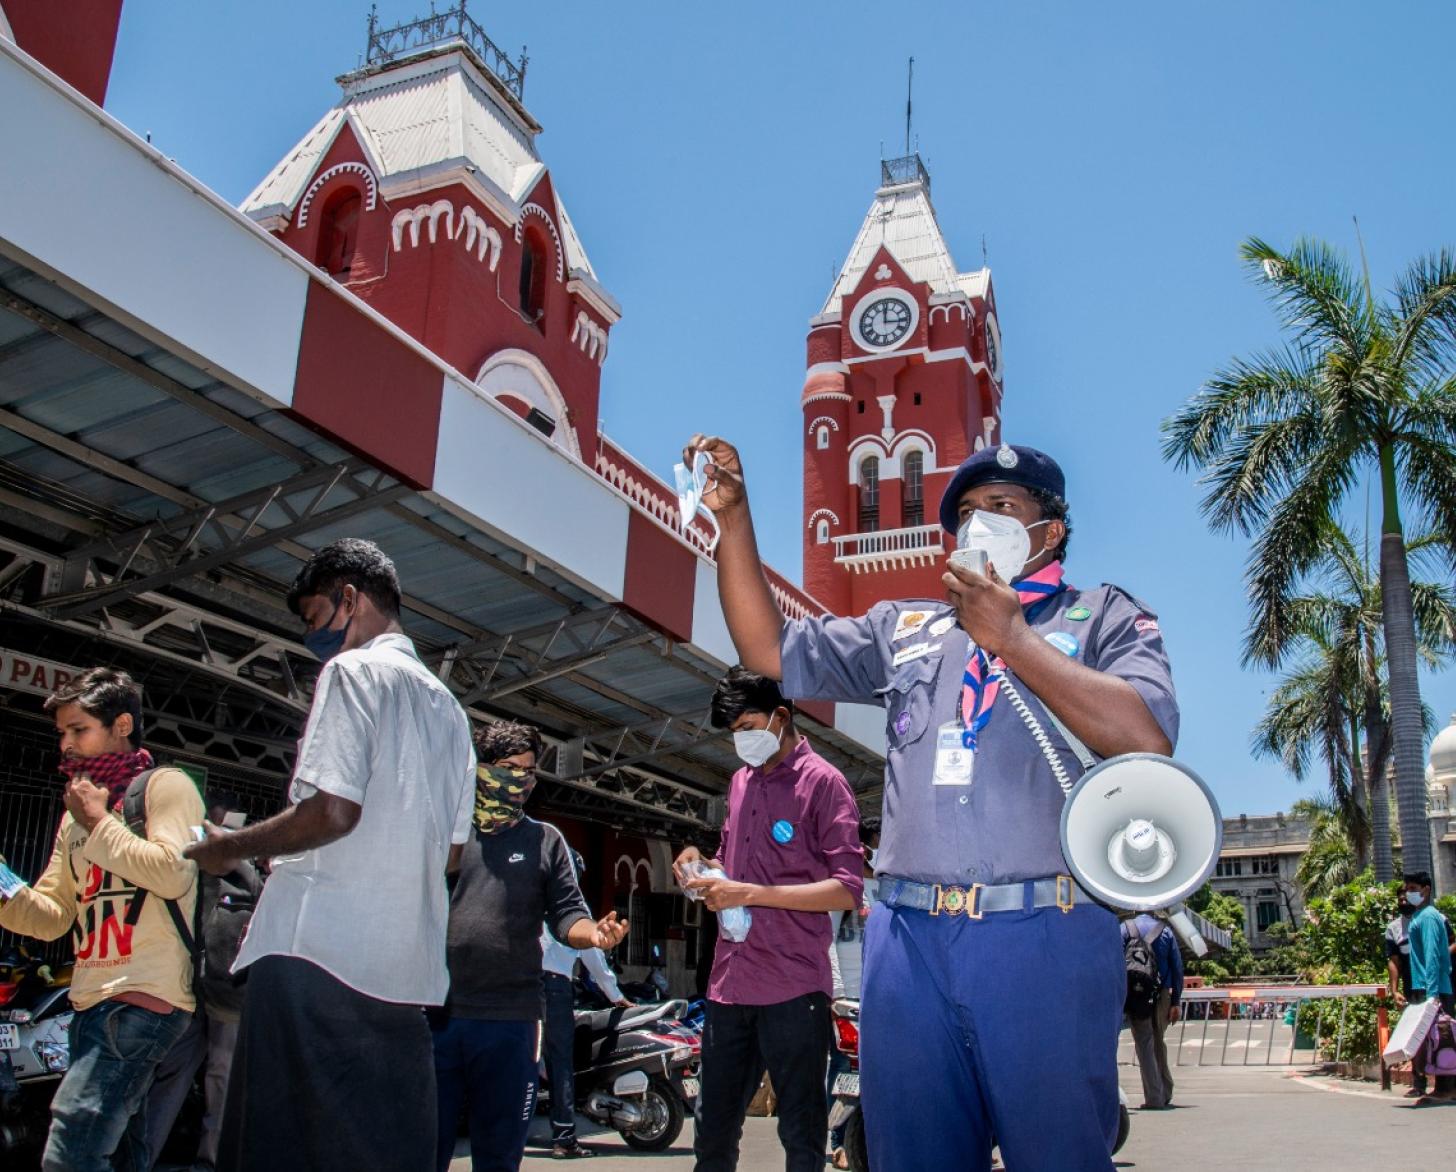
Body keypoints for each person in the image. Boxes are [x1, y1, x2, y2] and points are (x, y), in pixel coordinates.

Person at [684, 435, 1178, 1172]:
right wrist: (736, 521)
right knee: (913, 1153)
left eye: (1004, 507)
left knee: (1058, 1153)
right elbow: (769, 649)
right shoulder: (906, 628)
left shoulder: (1101, 616)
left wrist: (1012, 638)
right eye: (970, 511)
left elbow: (1145, 738)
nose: (982, 524)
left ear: (1053, 530)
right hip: (909, 940)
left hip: (1046, 931)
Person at [184, 538, 476, 1172]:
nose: (316, 636)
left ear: (351, 598)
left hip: (316, 956)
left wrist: (228, 847)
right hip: (404, 975)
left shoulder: (352, 673)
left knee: (278, 1148)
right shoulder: (451, 713)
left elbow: (332, 812)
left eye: (317, 617)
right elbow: (453, 855)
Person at [0, 667, 202, 1172]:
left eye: (79, 730)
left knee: (73, 1143)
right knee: (123, 1154)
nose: (66, 744)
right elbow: (52, 918)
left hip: (144, 999)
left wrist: (97, 821)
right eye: (61, 733)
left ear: (123, 724)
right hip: (89, 1003)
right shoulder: (75, 814)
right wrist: (4, 887)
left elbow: (173, 873)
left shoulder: (166, 787)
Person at [674, 667, 864, 1172]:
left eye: (748, 725)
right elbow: (728, 863)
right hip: (729, 984)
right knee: (713, 1128)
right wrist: (699, 866)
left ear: (781, 716)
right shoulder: (740, 782)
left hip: (793, 987)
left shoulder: (824, 783)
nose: (742, 739)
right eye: (733, 731)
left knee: (800, 1132)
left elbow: (847, 888)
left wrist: (751, 892)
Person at [436, 720, 629, 1172]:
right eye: (508, 769)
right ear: (482, 770)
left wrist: (594, 935)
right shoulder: (447, 831)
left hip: (511, 1018)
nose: (520, 781)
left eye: (528, 771)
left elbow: (567, 914)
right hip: (435, 1012)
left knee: (500, 1154)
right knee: (425, 1146)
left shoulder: (545, 841)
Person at [540, 850, 633, 1160]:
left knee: (518, 1059)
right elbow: (593, 955)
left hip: (519, 986)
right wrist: (614, 994)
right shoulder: (570, 906)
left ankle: (505, 1133)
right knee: (560, 1062)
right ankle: (564, 1138)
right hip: (554, 987)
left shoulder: (531, 894)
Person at [827, 819, 879, 1170]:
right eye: (874, 845)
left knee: (877, 1070)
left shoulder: (886, 886)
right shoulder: (844, 888)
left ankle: (868, 1136)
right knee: (846, 1065)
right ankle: (838, 1141)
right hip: (848, 994)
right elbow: (826, 938)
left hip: (880, 993)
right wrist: (838, 991)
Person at [1399, 871, 1455, 1097]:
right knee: (1433, 1038)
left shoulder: (1429, 917)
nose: (1409, 894)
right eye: (1407, 889)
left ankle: (1445, 1088)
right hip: (1428, 987)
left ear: (1426, 890)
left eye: (1413, 889)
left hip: (1435, 988)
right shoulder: (1419, 916)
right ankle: (1443, 1087)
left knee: (1442, 1036)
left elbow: (1432, 956)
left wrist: (1432, 994)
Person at [1122, 913, 1183, 1109]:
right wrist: (1176, 1001)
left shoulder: (1124, 929)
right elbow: (1177, 968)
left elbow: (1115, 963)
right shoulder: (1165, 931)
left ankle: (1154, 1097)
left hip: (1136, 994)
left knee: (1144, 1043)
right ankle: (1165, 1090)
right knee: (1158, 1041)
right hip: (1162, 994)